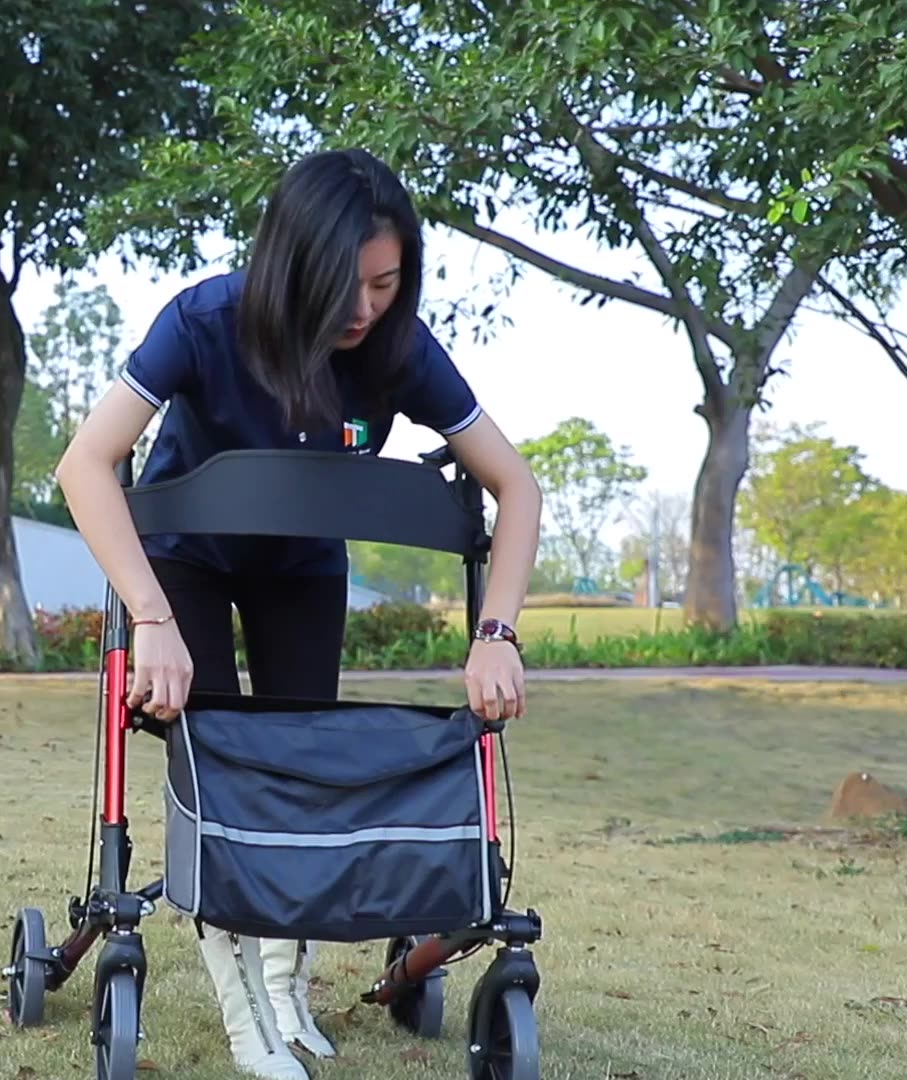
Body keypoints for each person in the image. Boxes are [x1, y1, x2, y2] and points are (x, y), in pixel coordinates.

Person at [53, 148, 542, 1079]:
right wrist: (149, 617)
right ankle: (245, 1021)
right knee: (220, 761)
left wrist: (497, 633)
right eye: (344, 287)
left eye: (387, 284)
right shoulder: (204, 320)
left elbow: (514, 484)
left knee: (304, 765)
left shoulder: (399, 345)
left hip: (303, 563)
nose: (364, 309)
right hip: (183, 566)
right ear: (288, 268)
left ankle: (286, 987)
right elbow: (85, 463)